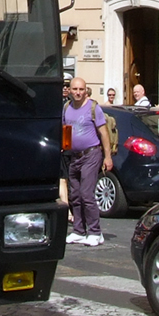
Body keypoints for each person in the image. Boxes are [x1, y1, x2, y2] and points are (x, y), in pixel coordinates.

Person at [62, 77, 113, 247]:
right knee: (74, 194)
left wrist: (107, 157)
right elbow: (66, 130)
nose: (78, 93)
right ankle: (78, 230)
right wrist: (64, 147)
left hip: (91, 154)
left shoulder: (93, 108)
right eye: (75, 89)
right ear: (69, 90)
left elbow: (104, 133)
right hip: (74, 156)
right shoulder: (67, 107)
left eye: (81, 90)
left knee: (86, 194)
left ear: (86, 91)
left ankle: (95, 232)